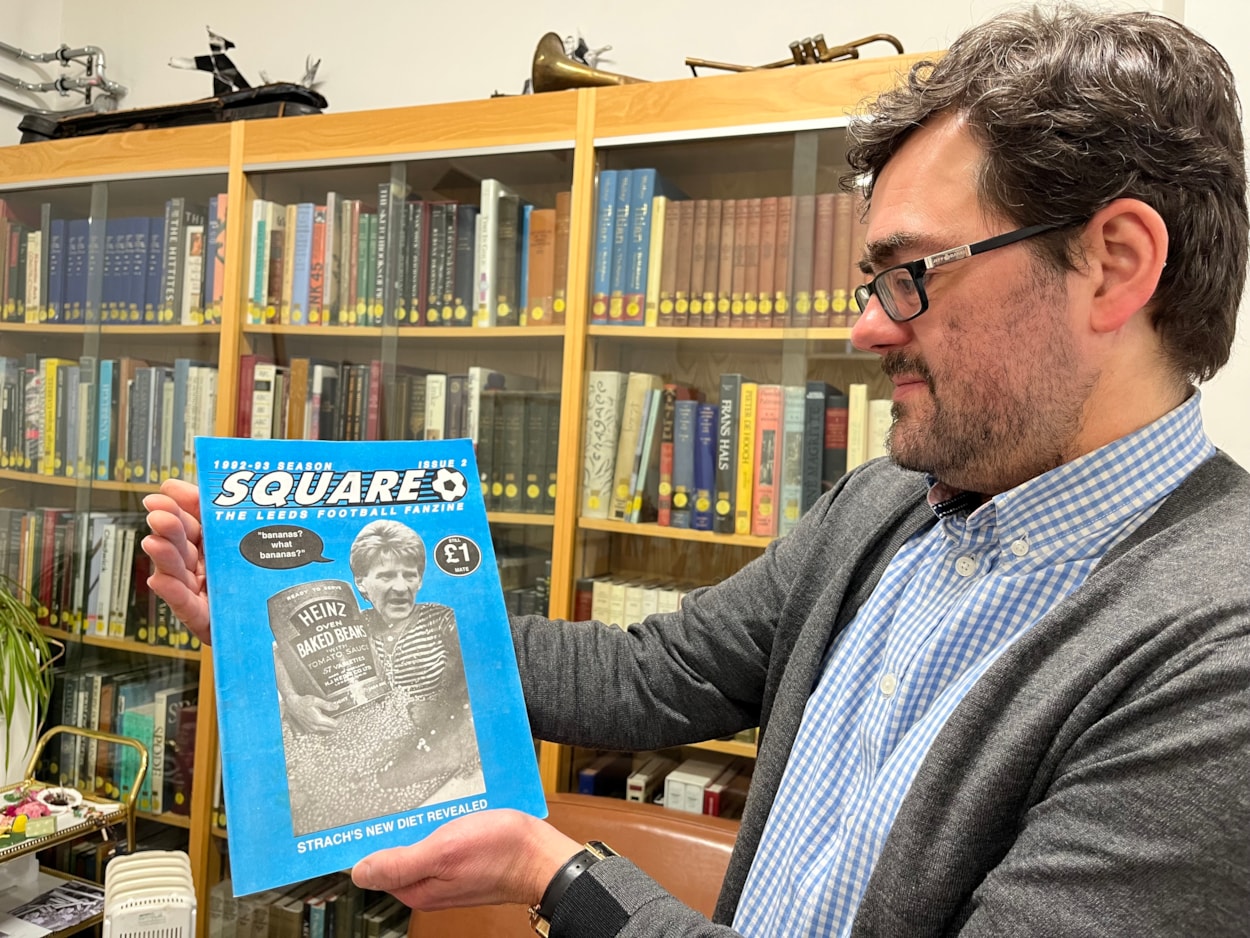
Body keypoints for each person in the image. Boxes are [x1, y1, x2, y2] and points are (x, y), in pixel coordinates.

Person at [143, 6, 1250, 935]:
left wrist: (559, 880)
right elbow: (640, 675)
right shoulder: (885, 509)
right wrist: (258, 612)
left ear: (1113, 265)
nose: (865, 330)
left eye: (910, 272)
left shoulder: (1217, 657)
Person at [271, 520, 485, 835]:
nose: (401, 587)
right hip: (360, 741)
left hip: (425, 745)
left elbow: (485, 663)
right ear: (361, 583)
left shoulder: (442, 619)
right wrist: (293, 699)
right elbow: (280, 651)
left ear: (420, 580)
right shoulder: (356, 622)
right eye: (385, 576)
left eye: (409, 575)